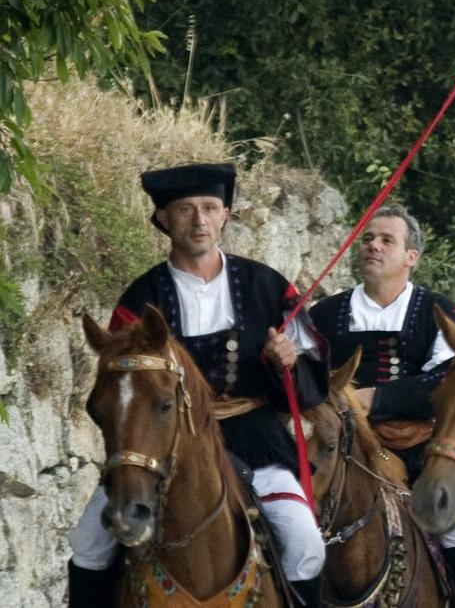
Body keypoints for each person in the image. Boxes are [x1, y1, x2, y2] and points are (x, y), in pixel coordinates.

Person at [69, 163, 328, 606]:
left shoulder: (269, 286)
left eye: (209, 208)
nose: (199, 220)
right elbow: (120, 393)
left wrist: (287, 362)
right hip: (161, 443)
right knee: (89, 543)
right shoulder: (138, 300)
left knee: (305, 544)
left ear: (225, 215)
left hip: (255, 439)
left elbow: (312, 387)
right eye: (185, 210)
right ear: (164, 219)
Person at [307, 204, 455, 606]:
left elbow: (453, 378)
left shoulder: (439, 312)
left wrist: (375, 398)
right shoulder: (324, 315)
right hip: (340, 451)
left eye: (387, 240)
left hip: (416, 450)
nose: (373, 246)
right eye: (369, 238)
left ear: (412, 257)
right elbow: (303, 380)